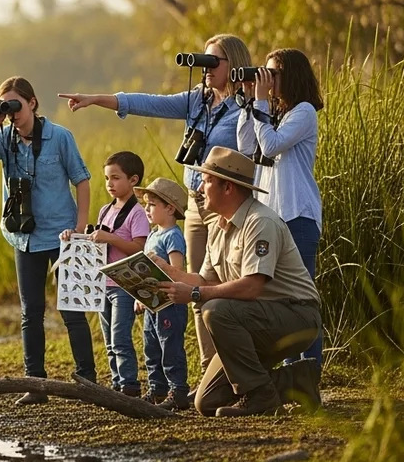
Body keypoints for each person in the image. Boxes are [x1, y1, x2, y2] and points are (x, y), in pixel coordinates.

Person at [59, 34, 255, 379]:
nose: (206, 69)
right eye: (203, 61)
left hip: (226, 206)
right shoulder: (197, 101)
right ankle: (209, 372)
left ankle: (237, 369)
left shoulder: (246, 108)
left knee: (226, 286)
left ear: (234, 65)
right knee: (196, 288)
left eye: (213, 62)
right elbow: (148, 103)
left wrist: (254, 97)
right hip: (195, 204)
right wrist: (95, 99)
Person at [153, 147, 323, 417]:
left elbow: (251, 287)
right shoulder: (218, 227)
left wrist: (194, 294)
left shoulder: (260, 222)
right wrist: (165, 270)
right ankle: (296, 380)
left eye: (207, 181)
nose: (200, 188)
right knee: (207, 402)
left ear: (228, 187)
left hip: (296, 317)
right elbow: (205, 280)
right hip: (254, 319)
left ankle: (260, 396)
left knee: (215, 310)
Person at [0, 76, 92, 405]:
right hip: (23, 236)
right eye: (6, 106)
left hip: (63, 233)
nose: (12, 113)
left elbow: (82, 181)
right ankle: (35, 384)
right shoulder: (4, 136)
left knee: (72, 310)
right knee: (31, 312)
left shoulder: (59, 137)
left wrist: (80, 228)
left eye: (16, 105)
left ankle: (87, 382)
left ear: (33, 103)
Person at [237, 48, 325, 364]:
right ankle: (288, 369)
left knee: (300, 299)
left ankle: (307, 372)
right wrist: (250, 101)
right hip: (271, 217)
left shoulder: (304, 112)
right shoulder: (275, 114)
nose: (268, 79)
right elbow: (246, 146)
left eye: (272, 74)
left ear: (291, 76)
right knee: (275, 299)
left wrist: (261, 102)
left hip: (297, 215)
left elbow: (271, 145)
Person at [63, 151, 148, 396]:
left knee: (120, 337)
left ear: (133, 180)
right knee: (109, 341)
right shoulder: (105, 210)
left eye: (116, 178)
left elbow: (139, 249)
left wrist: (110, 238)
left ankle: (129, 385)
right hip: (103, 284)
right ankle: (116, 384)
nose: (110, 183)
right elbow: (95, 243)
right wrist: (71, 237)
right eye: (107, 178)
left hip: (124, 285)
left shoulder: (137, 212)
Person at [133, 177, 191, 409]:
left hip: (170, 303)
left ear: (170, 208)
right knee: (151, 345)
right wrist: (140, 296)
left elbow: (177, 270)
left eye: (152, 204)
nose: (147, 209)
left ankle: (178, 390)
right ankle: (157, 388)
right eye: (146, 204)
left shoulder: (172, 235)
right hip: (152, 303)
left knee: (170, 346)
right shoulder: (152, 235)